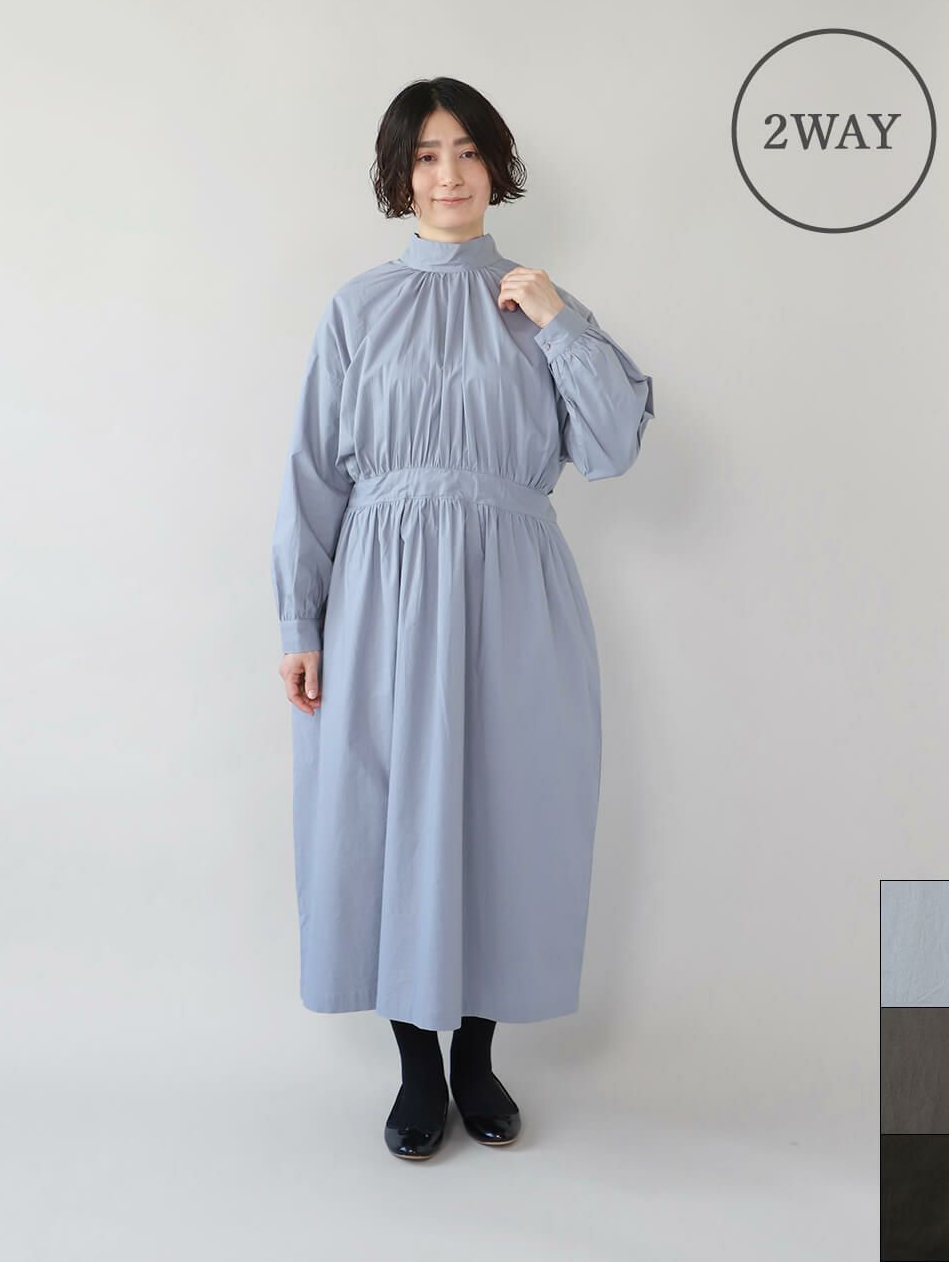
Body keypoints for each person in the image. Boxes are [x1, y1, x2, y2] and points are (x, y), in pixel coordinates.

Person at [271, 77, 655, 1160]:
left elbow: (615, 446)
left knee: (504, 811)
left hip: (513, 596)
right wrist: (300, 623)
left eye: (468, 152)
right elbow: (313, 475)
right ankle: (414, 1070)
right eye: (427, 155)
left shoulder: (541, 307)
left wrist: (556, 320)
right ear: (400, 176)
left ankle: (476, 1060)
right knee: (384, 811)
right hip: (380, 597)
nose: (449, 174)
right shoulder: (357, 308)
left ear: (496, 166)